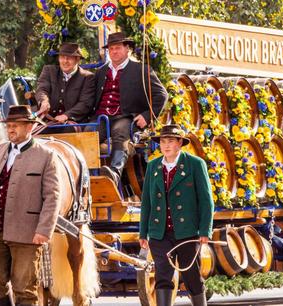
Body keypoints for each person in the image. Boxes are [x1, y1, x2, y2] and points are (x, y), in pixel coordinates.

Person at [0, 105, 60, 306]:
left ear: (30, 127)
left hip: (28, 234)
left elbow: (52, 197)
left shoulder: (46, 156)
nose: (11, 129)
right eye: (9, 125)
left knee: (25, 287)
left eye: (16, 126)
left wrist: (44, 230)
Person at [139, 124, 214, 306]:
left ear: (180, 143)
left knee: (192, 277)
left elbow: (206, 201)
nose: (166, 145)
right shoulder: (153, 166)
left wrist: (205, 231)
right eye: (163, 141)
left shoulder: (195, 164)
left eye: (170, 141)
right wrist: (143, 233)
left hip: (187, 232)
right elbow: (147, 202)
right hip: (159, 233)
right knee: (162, 277)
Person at [89, 32, 168, 184]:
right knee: (88, 133)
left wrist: (147, 116)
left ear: (128, 49)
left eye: (118, 48)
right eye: (111, 49)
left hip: (126, 117)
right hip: (101, 117)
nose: (114, 52)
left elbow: (162, 95)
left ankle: (114, 173)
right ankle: (86, 175)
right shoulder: (100, 72)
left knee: (120, 131)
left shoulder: (141, 70)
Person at [36, 42, 95, 126]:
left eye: (69, 58)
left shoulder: (88, 77)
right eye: (62, 57)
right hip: (46, 120)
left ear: (77, 60)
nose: (65, 61)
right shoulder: (49, 71)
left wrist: (66, 115)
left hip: (73, 123)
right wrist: (44, 101)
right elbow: (42, 89)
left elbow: (85, 103)